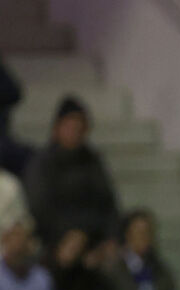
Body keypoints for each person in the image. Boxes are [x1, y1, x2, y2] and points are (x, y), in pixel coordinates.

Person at [22, 96, 120, 256]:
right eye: (70, 127)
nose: (75, 133)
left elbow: (108, 204)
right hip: (54, 242)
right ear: (57, 128)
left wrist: (110, 237)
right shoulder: (42, 163)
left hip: (93, 239)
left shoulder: (92, 161)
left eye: (79, 128)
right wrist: (71, 235)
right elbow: (40, 209)